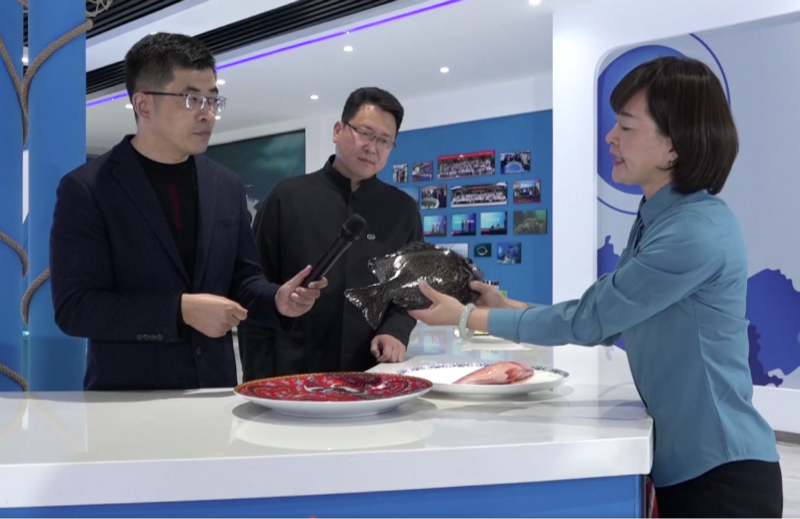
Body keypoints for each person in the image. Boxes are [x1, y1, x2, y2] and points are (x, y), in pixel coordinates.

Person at [408, 57, 782, 519]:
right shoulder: (661, 217)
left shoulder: (692, 233)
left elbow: (592, 320)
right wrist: (507, 305)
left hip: (721, 478)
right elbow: (612, 314)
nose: (610, 137)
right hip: (692, 469)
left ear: (675, 147)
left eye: (626, 125)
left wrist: (465, 318)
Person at [49, 33, 327, 391]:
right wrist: (179, 310)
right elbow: (76, 308)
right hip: (127, 399)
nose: (207, 113)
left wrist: (276, 300)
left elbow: (243, 279)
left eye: (213, 99)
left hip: (214, 391)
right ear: (144, 105)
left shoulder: (225, 184)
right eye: (192, 99)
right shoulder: (88, 188)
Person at [238, 87, 422, 380]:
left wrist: (395, 331)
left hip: (372, 374)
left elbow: (409, 290)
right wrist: (258, 379)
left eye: (384, 141)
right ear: (338, 130)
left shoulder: (403, 210)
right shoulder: (287, 197)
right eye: (365, 133)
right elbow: (253, 286)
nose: (372, 147)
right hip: (292, 375)